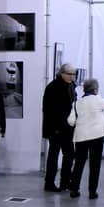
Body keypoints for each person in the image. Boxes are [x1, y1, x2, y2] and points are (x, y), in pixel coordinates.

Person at [42, 63, 77, 192]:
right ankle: (49, 183)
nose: (72, 77)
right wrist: (56, 127)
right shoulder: (53, 87)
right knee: (54, 155)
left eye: (73, 74)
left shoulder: (71, 86)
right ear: (62, 73)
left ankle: (65, 182)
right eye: (69, 74)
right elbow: (49, 110)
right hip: (55, 128)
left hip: (68, 127)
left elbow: (72, 105)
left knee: (69, 155)